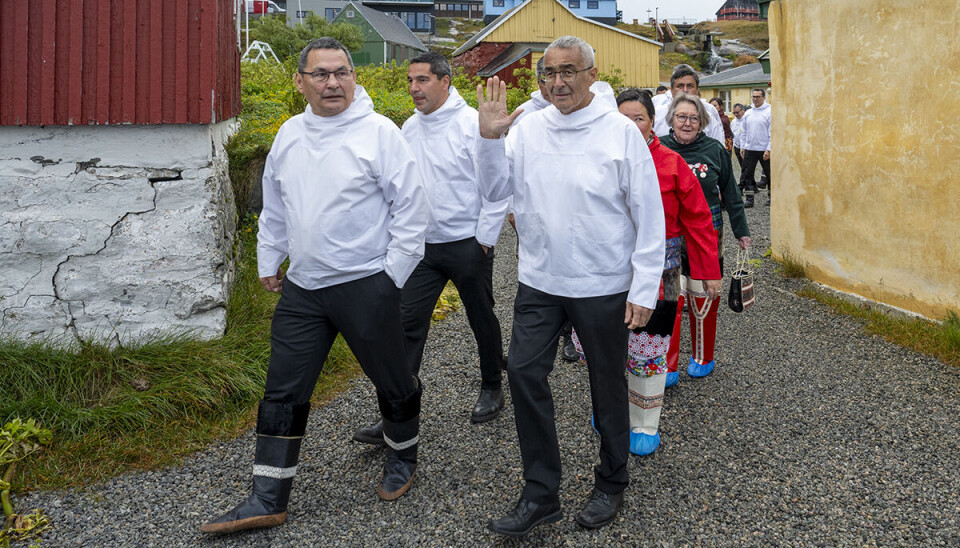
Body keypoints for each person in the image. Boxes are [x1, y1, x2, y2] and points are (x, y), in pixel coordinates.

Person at [201, 37, 429, 535]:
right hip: (304, 290)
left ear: (354, 77)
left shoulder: (380, 134)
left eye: (342, 72)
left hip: (366, 283)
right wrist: (269, 258)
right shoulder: (290, 133)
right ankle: (268, 496)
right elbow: (276, 204)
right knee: (283, 388)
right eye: (321, 74)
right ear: (300, 81)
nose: (333, 83)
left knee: (392, 378)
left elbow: (412, 210)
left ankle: (402, 455)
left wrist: (390, 278)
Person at [476, 36, 666, 536]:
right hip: (541, 279)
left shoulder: (619, 132)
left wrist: (644, 287)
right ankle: (541, 493)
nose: (557, 82)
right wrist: (489, 140)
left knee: (606, 383)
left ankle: (612, 481)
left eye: (568, 71)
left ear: (591, 75)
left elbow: (649, 212)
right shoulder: (527, 128)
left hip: (603, 282)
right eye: (549, 73)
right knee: (522, 372)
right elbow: (494, 190)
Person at [352, 54, 509, 447]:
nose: (413, 88)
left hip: (467, 243)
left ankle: (492, 385)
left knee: (480, 316)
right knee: (405, 325)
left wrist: (484, 239)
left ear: (445, 81)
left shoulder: (471, 123)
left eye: (422, 80)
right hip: (423, 246)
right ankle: (396, 414)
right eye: (410, 80)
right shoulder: (410, 127)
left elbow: (496, 184)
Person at [572, 89, 720, 456]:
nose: (630, 126)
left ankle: (643, 423)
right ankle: (607, 411)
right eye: (622, 118)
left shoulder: (672, 163)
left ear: (653, 121)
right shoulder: (594, 157)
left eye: (638, 118)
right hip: (603, 271)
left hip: (660, 273)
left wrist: (707, 270)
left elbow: (698, 219)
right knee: (603, 347)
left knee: (649, 351)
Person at [661, 93, 751, 387]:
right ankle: (667, 363)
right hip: (669, 234)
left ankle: (703, 356)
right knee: (670, 298)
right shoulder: (659, 147)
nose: (687, 123)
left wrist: (741, 231)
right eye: (681, 117)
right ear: (671, 119)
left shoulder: (715, 150)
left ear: (701, 122)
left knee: (703, 295)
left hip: (707, 233)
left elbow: (732, 193)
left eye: (693, 118)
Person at [652, 64, 725, 145]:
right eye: (680, 86)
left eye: (690, 86)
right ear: (671, 90)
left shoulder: (709, 115)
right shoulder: (658, 115)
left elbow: (719, 146)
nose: (685, 90)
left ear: (697, 90)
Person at [739, 88, 772, 206]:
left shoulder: (769, 111)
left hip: (764, 149)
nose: (755, 99)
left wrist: (769, 148)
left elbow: (772, 132)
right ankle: (749, 199)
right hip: (750, 149)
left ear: (764, 98)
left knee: (770, 174)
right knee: (748, 175)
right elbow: (744, 131)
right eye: (753, 96)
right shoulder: (748, 112)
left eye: (758, 96)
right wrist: (742, 146)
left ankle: (771, 197)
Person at [730, 103, 746, 170]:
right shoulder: (733, 122)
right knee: (742, 166)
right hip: (737, 147)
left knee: (747, 167)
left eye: (737, 112)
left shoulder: (746, 120)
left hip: (746, 148)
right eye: (734, 113)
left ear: (743, 110)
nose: (736, 114)